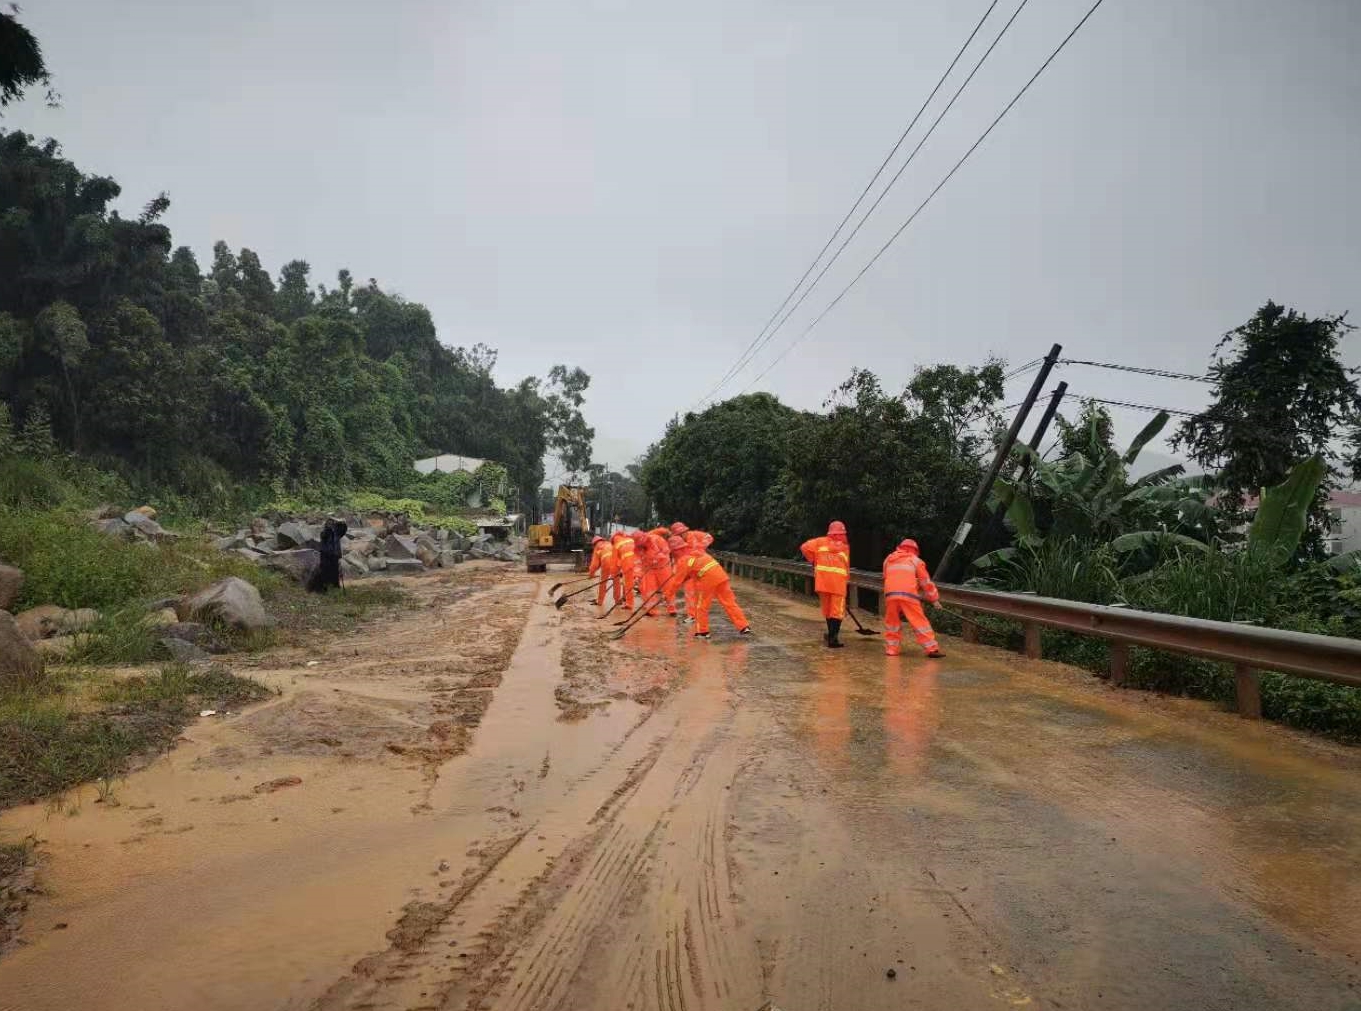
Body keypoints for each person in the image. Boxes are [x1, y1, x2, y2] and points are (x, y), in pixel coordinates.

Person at [663, 535, 751, 639]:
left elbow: (676, 582)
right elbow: (693, 570)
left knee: (701, 606)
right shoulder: (695, 550)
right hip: (720, 575)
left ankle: (703, 632)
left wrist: (668, 594)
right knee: (729, 603)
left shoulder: (683, 560)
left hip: (707, 579)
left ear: (675, 550)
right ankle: (744, 626)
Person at [882, 538, 944, 658]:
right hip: (908, 595)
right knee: (919, 622)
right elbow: (925, 582)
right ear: (915, 550)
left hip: (890, 595)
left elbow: (886, 576)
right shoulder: (915, 560)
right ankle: (932, 649)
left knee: (892, 623)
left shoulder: (888, 559)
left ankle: (892, 649)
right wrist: (934, 599)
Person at [801, 521, 851, 648]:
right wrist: (847, 581)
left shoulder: (819, 542)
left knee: (828, 611)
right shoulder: (844, 547)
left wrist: (813, 560)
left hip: (822, 583)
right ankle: (833, 639)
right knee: (837, 612)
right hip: (838, 585)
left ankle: (830, 635)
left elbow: (804, 547)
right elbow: (846, 566)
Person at [669, 522, 713, 622]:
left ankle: (700, 614)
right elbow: (676, 557)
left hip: (700, 567)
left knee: (701, 592)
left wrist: (700, 547)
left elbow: (709, 537)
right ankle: (692, 615)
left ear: (686, 531)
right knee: (689, 591)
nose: (682, 536)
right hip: (688, 569)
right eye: (679, 535)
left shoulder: (695, 534)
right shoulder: (676, 542)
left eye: (683, 533)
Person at [635, 529, 676, 616]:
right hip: (650, 570)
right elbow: (637, 562)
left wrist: (657, 558)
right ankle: (651, 610)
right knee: (649, 590)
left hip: (663, 568)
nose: (642, 545)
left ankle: (671, 609)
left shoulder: (657, 539)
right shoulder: (637, 548)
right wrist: (637, 574)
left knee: (668, 588)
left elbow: (666, 551)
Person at [307, 518, 348, 593]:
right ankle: (323, 588)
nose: (331, 524)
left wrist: (342, 522)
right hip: (326, 555)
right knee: (325, 572)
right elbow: (325, 533)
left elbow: (343, 529)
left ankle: (334, 587)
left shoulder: (337, 533)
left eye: (332, 523)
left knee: (335, 573)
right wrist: (329, 527)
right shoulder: (324, 533)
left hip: (334, 555)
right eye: (329, 523)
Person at [611, 530, 638, 609]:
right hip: (639, 562)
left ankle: (629, 604)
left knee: (628, 584)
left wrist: (614, 574)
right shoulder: (630, 539)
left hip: (628, 564)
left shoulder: (616, 545)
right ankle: (649, 606)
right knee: (644, 583)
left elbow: (614, 563)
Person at [588, 535, 617, 607]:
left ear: (594, 543)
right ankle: (618, 601)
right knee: (617, 582)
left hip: (606, 564)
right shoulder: (609, 543)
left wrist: (591, 574)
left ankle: (600, 601)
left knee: (603, 583)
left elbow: (594, 565)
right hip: (616, 563)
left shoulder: (597, 548)